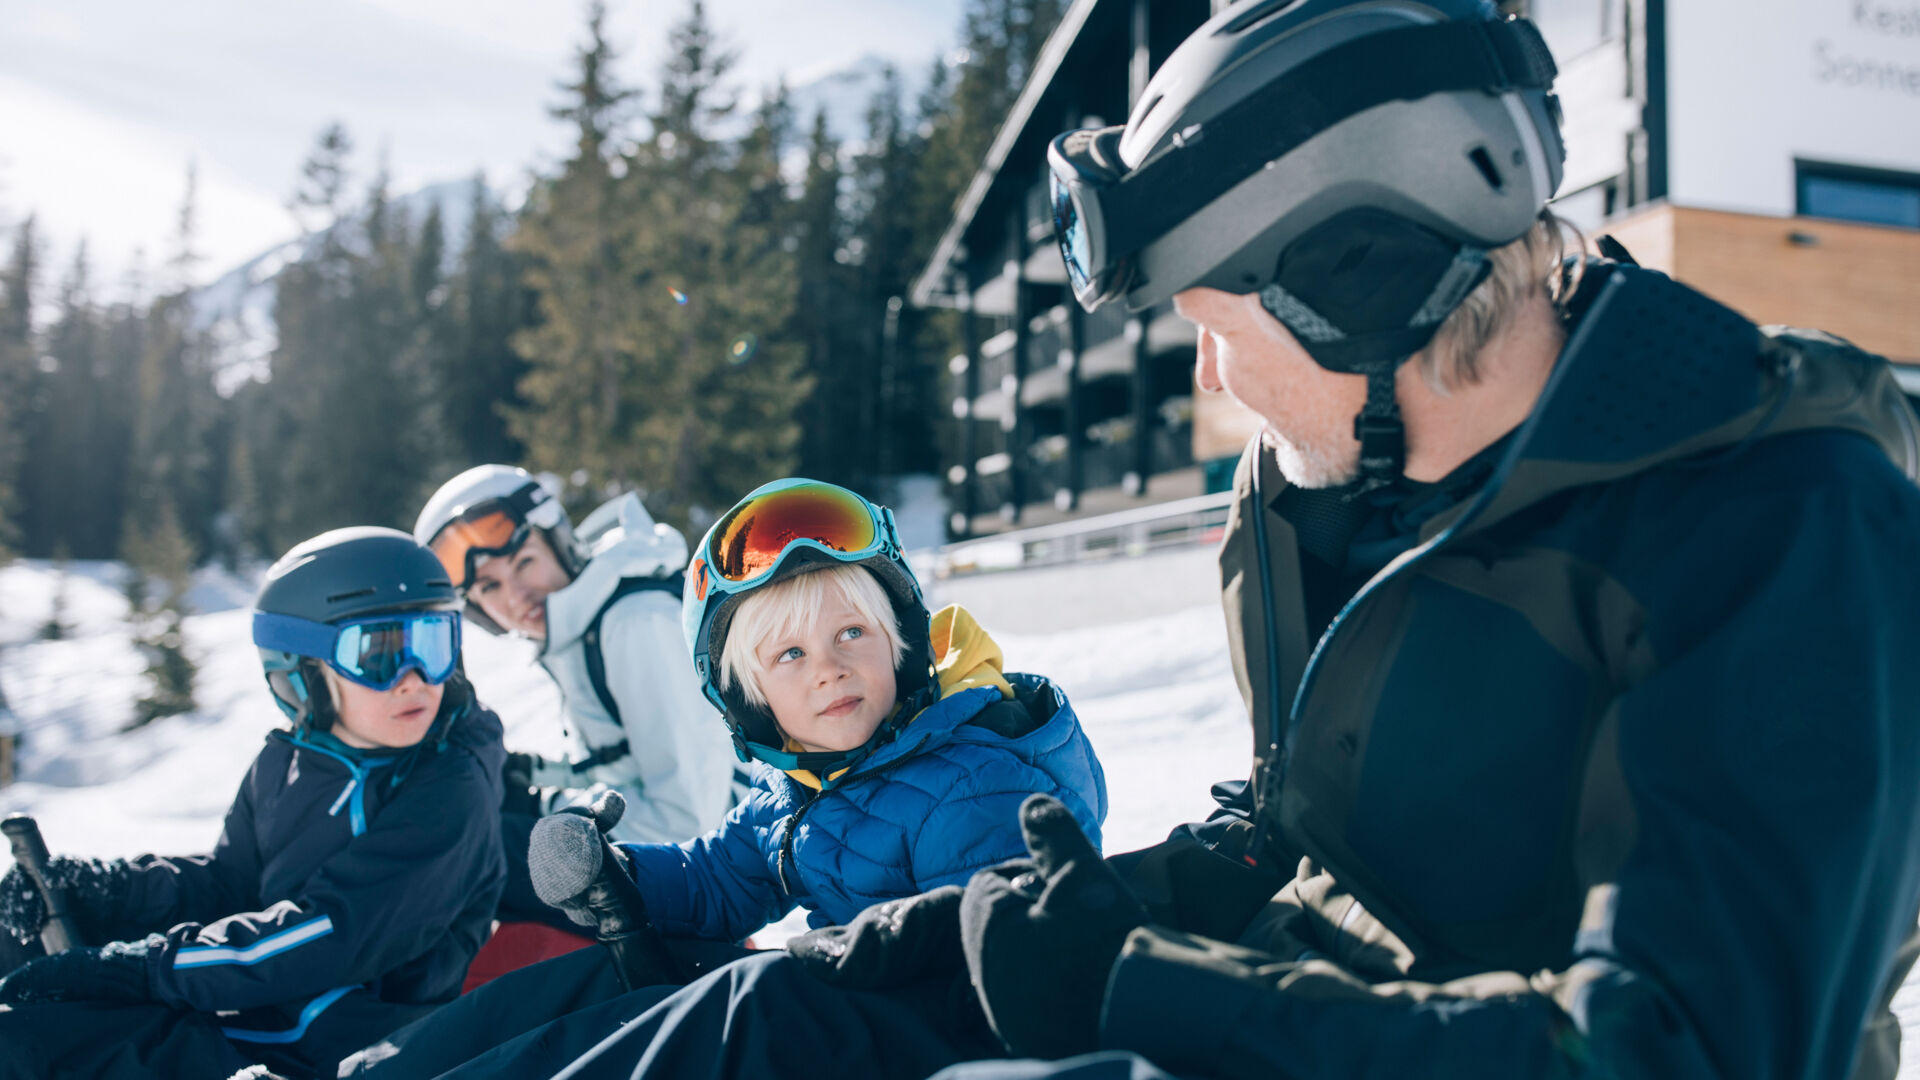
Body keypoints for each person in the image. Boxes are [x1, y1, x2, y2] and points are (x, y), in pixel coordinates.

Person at [515, 1, 1920, 1078]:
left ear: (1356, 292)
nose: (1207, 382)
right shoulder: (1314, 497)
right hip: (1329, 1014)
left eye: (1211, 329)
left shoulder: (1784, 518)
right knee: (799, 1007)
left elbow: (1691, 1047)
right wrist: (994, 925)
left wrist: (1142, 983)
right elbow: (1289, 836)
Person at [339, 477, 1109, 1079]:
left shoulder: (971, 779)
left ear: (901, 642)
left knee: (747, 1001)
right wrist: (622, 876)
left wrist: (864, 953)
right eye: (790, 656)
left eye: (851, 634)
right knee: (606, 979)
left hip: (930, 1036)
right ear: (753, 701)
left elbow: (1009, 973)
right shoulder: (805, 789)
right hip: (855, 1006)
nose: (829, 670)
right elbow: (718, 876)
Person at [0, 527, 507, 1080]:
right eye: (378, 655)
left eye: (434, 646)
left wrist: (145, 968)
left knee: (47, 1048)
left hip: (357, 1047)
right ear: (301, 669)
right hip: (262, 1015)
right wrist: (107, 892)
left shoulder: (451, 789)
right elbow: (228, 885)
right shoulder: (288, 765)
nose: (416, 681)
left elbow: (335, 933)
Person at [414, 465, 738, 928]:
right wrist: (533, 780)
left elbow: (688, 818)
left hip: (699, 883)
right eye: (490, 587)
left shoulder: (634, 623)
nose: (517, 596)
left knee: (471, 851)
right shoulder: (584, 628)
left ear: (559, 543)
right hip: (667, 865)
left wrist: (550, 816)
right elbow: (621, 764)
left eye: (525, 563)